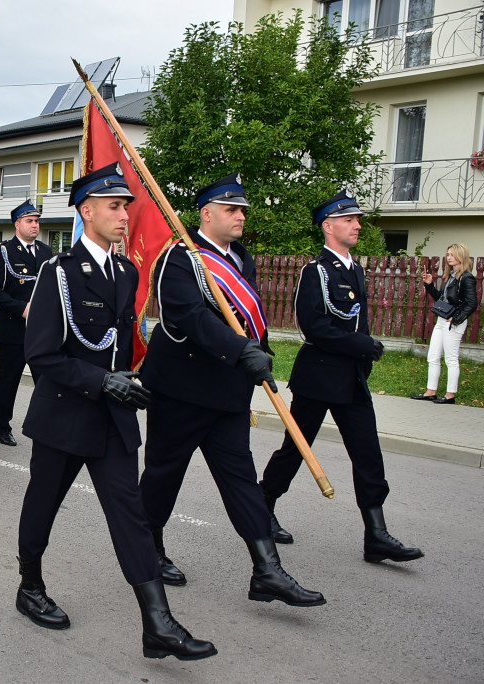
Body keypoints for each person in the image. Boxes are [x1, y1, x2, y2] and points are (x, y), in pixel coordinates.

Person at [15, 163, 215, 660]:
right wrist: (102, 380)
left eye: (126, 205)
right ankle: (29, 585)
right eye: (114, 205)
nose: (125, 214)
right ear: (87, 211)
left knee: (131, 517)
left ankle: (158, 624)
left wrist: (135, 381)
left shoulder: (126, 271)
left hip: (113, 420)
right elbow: (41, 354)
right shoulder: (57, 273)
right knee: (43, 505)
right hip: (65, 416)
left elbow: (124, 347)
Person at [140, 173, 324, 607]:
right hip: (180, 392)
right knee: (164, 477)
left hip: (227, 395)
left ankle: (267, 571)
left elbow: (248, 316)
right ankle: (149, 549)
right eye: (231, 209)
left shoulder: (240, 259)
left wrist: (255, 356)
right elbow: (191, 318)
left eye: (242, 209)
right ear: (207, 214)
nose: (240, 216)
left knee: (241, 480)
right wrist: (242, 351)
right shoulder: (180, 259)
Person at [261, 191, 424, 564]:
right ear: (329, 226)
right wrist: (360, 345)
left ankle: (376, 535)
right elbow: (313, 327)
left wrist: (361, 354)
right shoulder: (315, 271)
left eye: (357, 219)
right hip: (318, 378)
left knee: (368, 456)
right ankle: (263, 506)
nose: (357, 225)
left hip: (351, 379)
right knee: (295, 451)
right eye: (349, 220)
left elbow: (357, 320)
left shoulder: (355, 269)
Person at [0, 200, 52, 446]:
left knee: (46, 382)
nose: (35, 225)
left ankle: (46, 425)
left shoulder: (45, 251)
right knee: (8, 381)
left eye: (36, 221)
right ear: (17, 224)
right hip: (13, 329)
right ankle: (2, 427)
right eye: (29, 221)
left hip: (42, 331)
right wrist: (22, 309)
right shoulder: (2, 251)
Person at [410, 242, 478, 405]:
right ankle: (430, 392)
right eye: (447, 255)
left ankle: (450, 395)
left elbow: (472, 303)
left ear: (461, 256)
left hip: (453, 322)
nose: (449, 258)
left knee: (451, 359)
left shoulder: (466, 278)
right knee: (433, 356)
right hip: (443, 320)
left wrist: (456, 318)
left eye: (452, 254)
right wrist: (429, 284)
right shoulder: (451, 276)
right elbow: (442, 299)